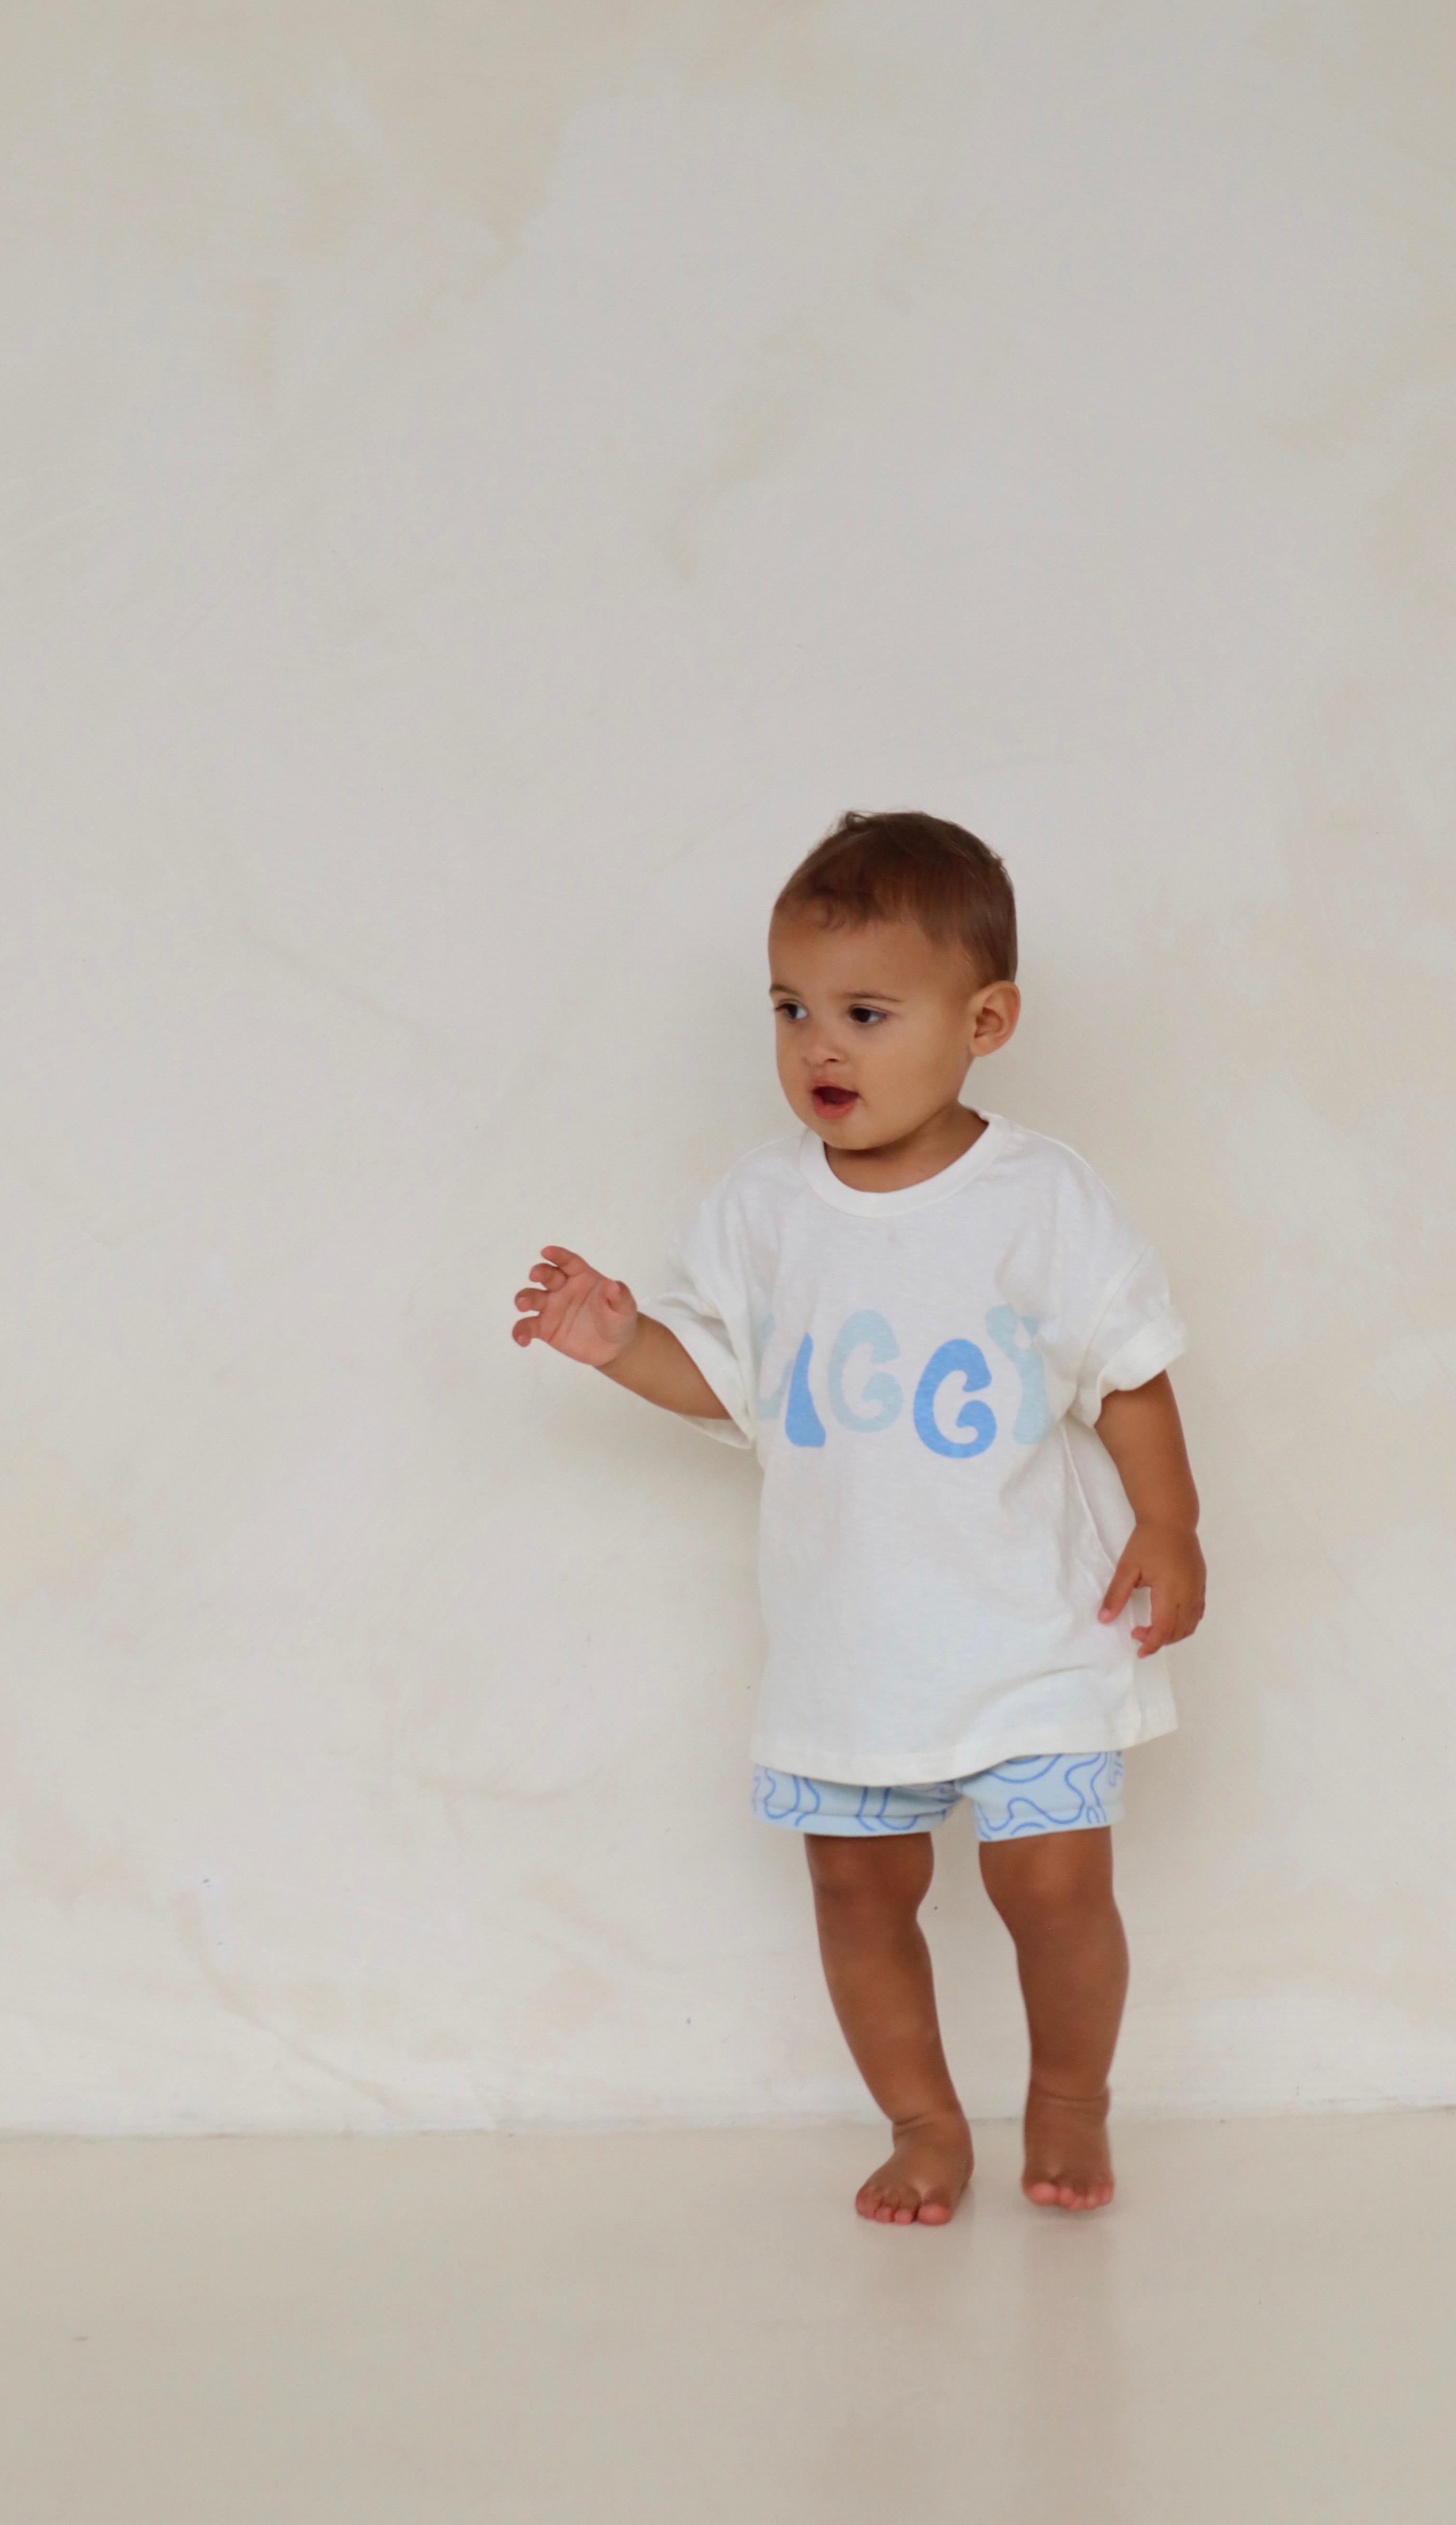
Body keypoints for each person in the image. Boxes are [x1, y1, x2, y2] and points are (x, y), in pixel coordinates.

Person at [511, 811, 1205, 2225]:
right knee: (858, 1897)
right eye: (792, 1009)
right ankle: (923, 2121)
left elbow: (1131, 1374)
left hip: (1032, 1628)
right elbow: (725, 1378)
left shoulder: (1039, 1198)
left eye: (867, 1013)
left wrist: (1172, 1522)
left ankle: (1070, 2100)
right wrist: (617, 1338)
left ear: (985, 1020)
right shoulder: (765, 1210)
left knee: (1054, 1884)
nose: (820, 1047)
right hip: (851, 1646)